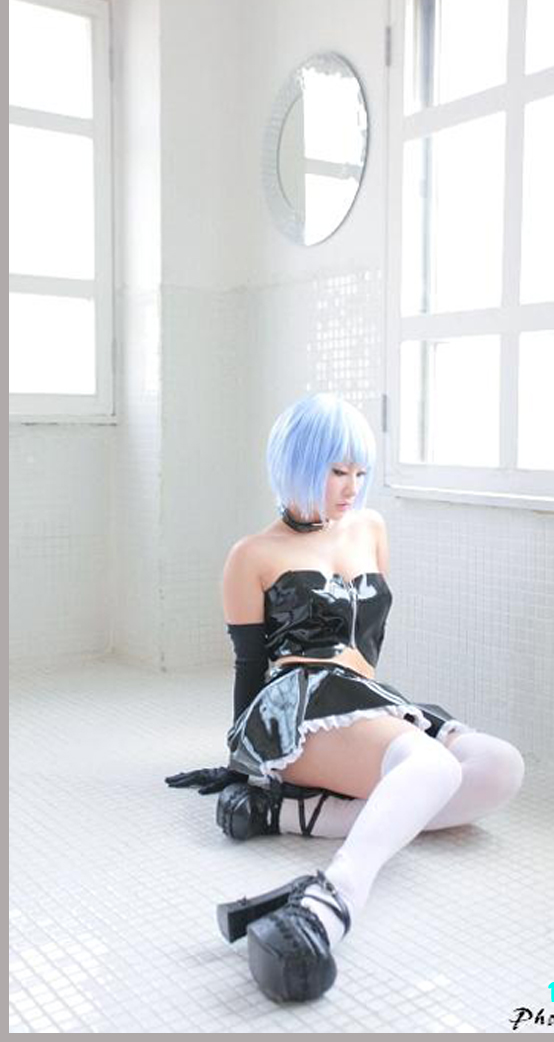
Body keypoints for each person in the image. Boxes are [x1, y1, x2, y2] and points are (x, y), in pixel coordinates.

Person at [167, 391, 525, 1004]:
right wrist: (242, 760)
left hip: (363, 696)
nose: (352, 487)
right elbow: (249, 666)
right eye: (337, 471)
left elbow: (370, 643)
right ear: (296, 466)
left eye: (361, 472)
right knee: (435, 770)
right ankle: (332, 900)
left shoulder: (370, 527)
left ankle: (290, 816)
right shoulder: (252, 555)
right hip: (295, 709)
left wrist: (385, 725)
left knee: (499, 768)